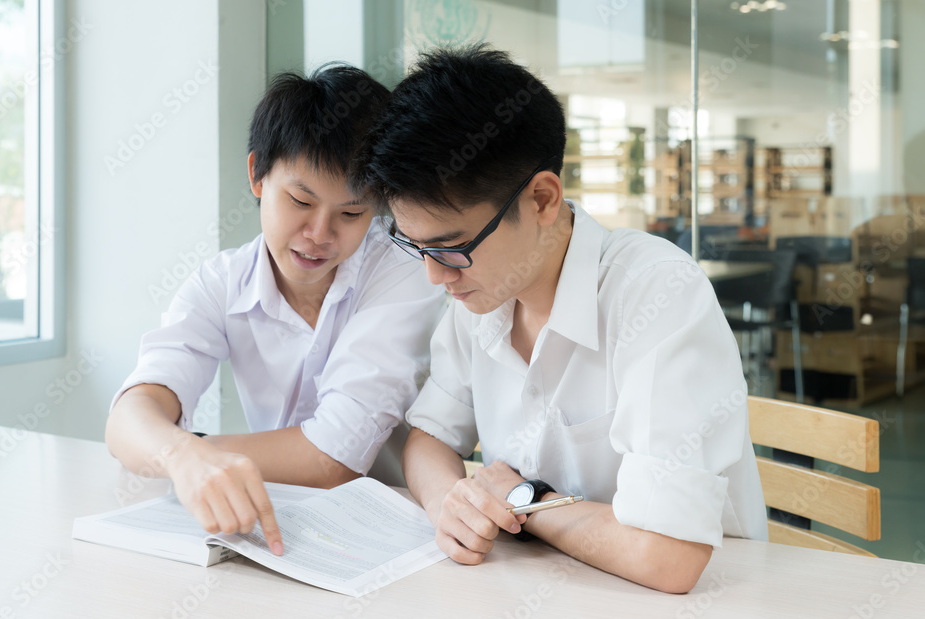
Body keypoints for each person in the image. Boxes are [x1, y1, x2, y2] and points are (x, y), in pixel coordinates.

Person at [351, 45, 767, 593]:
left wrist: (526, 500)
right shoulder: (480, 295)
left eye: (452, 245)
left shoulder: (655, 293)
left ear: (543, 199)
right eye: (415, 246)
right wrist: (452, 504)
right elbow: (429, 440)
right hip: (551, 588)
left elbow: (669, 557)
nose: (435, 275)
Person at [105, 65, 446, 556]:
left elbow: (334, 458)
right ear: (257, 176)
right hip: (279, 525)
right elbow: (128, 419)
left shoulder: (403, 271)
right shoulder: (221, 282)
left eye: (351, 214)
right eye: (300, 201)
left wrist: (186, 452)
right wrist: (181, 455)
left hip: (398, 529)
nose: (320, 233)